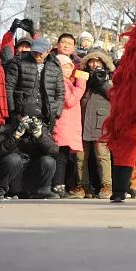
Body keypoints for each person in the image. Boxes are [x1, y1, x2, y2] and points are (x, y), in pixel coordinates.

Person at [0, 105, 59, 199]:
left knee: (48, 160)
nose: (32, 121)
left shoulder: (42, 128)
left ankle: (43, 191)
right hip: (16, 173)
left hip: (32, 171)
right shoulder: (8, 127)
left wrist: (40, 136)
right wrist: (15, 136)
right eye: (29, 118)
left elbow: (55, 151)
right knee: (13, 159)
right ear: (20, 117)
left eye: (37, 118)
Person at [74, 50, 114, 199]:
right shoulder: (82, 74)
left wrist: (102, 83)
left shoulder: (110, 76)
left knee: (102, 155)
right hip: (81, 119)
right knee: (80, 155)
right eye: (91, 61)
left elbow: (115, 95)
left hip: (101, 120)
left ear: (103, 62)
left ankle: (107, 186)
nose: (94, 64)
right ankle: (82, 186)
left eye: (97, 61)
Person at [52, 54, 87, 198]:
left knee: (65, 157)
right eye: (64, 67)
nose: (67, 70)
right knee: (61, 158)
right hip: (62, 126)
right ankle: (58, 186)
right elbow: (70, 101)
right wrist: (81, 83)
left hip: (68, 126)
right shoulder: (62, 83)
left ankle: (62, 186)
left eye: (69, 67)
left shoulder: (67, 82)